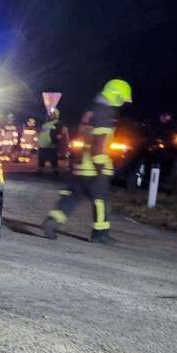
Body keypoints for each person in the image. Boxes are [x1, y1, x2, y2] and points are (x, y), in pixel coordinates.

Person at [41, 78, 133, 244]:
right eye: (121, 99)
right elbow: (99, 142)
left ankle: (52, 221)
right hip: (94, 166)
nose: (122, 104)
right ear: (115, 96)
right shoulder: (105, 112)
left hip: (80, 164)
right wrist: (100, 166)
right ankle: (100, 234)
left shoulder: (91, 110)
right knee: (100, 200)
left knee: (73, 196)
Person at [37, 109, 61, 175]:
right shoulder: (46, 123)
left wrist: (56, 141)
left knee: (53, 159)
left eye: (52, 113)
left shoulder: (57, 123)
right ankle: (40, 171)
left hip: (51, 145)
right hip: (43, 145)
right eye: (50, 113)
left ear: (56, 114)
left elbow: (59, 134)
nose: (51, 115)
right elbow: (41, 133)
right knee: (41, 159)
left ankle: (55, 171)